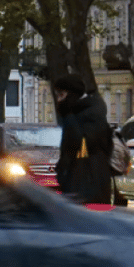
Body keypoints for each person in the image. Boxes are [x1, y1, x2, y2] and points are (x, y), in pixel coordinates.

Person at [52, 74, 114, 204]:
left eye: (61, 95)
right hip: (79, 185)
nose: (58, 100)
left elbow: (79, 144)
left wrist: (68, 116)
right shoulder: (76, 113)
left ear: (71, 94)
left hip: (89, 187)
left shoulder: (92, 114)